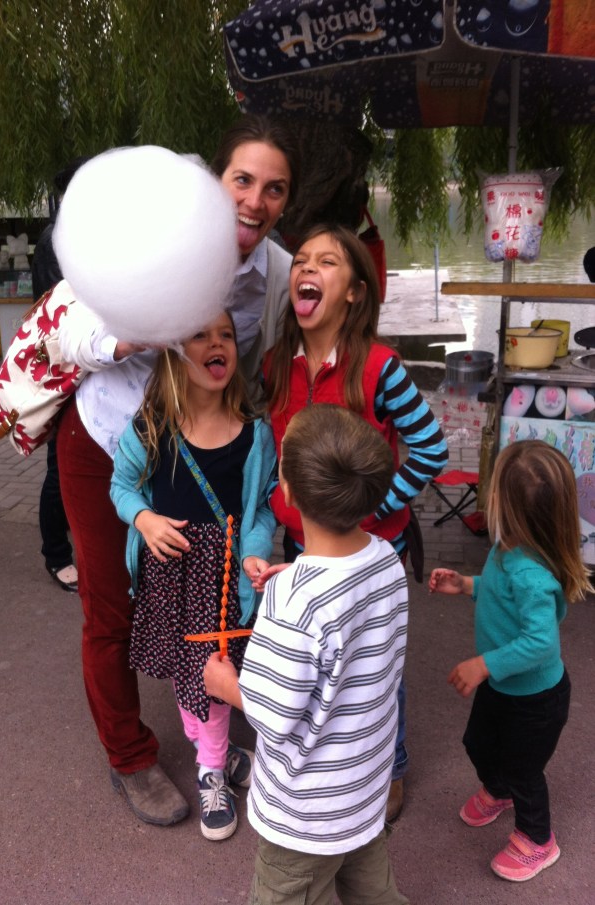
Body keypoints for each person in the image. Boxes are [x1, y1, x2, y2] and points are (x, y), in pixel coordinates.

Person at [55, 115, 300, 827]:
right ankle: (129, 753)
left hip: (198, 448)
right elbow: (70, 334)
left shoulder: (276, 274)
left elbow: (269, 368)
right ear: (209, 183)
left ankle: (213, 725)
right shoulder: (150, 230)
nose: (256, 201)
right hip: (107, 438)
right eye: (243, 180)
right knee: (110, 607)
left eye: (275, 188)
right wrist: (145, 320)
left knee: (213, 602)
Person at [262, 224, 448, 821]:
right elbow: (270, 456)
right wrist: (271, 514)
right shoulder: (273, 367)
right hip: (298, 548)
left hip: (374, 553)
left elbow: (429, 450)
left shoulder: (381, 367)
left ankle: (389, 768)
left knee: (375, 669)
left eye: (327, 262)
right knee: (311, 661)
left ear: (355, 292)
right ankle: (318, 761)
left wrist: (370, 508)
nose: (306, 269)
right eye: (300, 261)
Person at [204, 403, 410, 905]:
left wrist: (225, 685)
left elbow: (275, 714)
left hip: (306, 814)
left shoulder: (294, 599)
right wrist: (294, 580)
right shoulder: (385, 558)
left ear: (287, 491)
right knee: (372, 890)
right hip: (363, 788)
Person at [110, 311, 277, 840]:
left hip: (225, 579)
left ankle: (213, 762)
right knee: (192, 677)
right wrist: (144, 518)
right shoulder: (151, 427)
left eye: (225, 334)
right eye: (200, 334)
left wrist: (254, 551)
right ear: (173, 353)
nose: (216, 342)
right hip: (173, 579)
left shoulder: (255, 434)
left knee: (215, 677)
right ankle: (216, 759)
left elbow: (263, 510)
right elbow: (121, 486)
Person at [429, 440, 591, 882]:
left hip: (536, 700)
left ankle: (539, 840)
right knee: (477, 743)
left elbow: (541, 643)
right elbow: (500, 592)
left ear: (510, 506)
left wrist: (484, 664)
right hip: (503, 687)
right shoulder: (509, 548)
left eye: (493, 489)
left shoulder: (531, 574)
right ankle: (497, 791)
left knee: (524, 770)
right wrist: (465, 585)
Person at [32, 158, 90, 593]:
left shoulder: (85, 231)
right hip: (67, 365)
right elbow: (70, 302)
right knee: (60, 462)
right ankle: (55, 553)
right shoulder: (58, 238)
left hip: (92, 362)